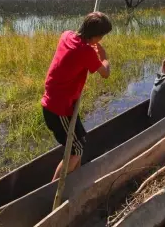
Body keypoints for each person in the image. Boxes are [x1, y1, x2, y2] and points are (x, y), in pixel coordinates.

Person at [41, 12, 112, 181]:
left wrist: (91, 46)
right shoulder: (86, 51)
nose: (101, 39)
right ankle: (53, 190)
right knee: (76, 150)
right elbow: (105, 73)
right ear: (97, 36)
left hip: (59, 103)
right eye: (101, 36)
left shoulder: (67, 35)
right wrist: (104, 57)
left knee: (80, 142)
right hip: (59, 109)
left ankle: (73, 181)